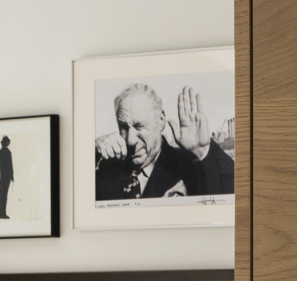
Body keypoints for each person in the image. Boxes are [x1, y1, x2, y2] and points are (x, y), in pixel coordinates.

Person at [94, 82, 233, 202]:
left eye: (139, 126)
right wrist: (93, 152)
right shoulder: (106, 168)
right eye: (123, 128)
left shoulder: (191, 166)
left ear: (161, 120)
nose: (130, 140)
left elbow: (231, 198)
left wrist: (203, 152)